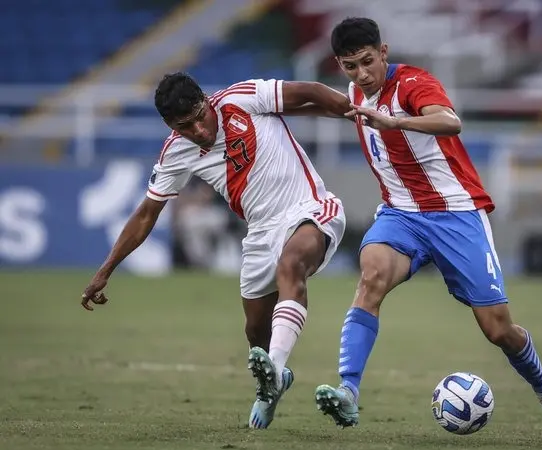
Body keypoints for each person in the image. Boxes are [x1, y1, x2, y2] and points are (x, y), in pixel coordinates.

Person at [309, 17, 542, 438]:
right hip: (401, 215)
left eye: (366, 62)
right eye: (349, 66)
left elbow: (450, 121)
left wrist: (396, 122)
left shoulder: (414, 83)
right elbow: (320, 102)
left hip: (456, 213)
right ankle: (348, 390)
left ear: (383, 52)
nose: (361, 74)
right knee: (372, 276)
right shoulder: (356, 95)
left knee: (497, 328)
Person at [79, 72, 349, 429]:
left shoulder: (244, 97)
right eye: (185, 126)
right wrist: (105, 270)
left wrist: (356, 111)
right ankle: (275, 383)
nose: (199, 130)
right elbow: (146, 215)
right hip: (259, 234)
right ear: (170, 125)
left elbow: (310, 92)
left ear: (206, 100)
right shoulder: (176, 151)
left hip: (310, 208)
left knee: (291, 265)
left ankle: (276, 369)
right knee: (255, 331)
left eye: (199, 116)